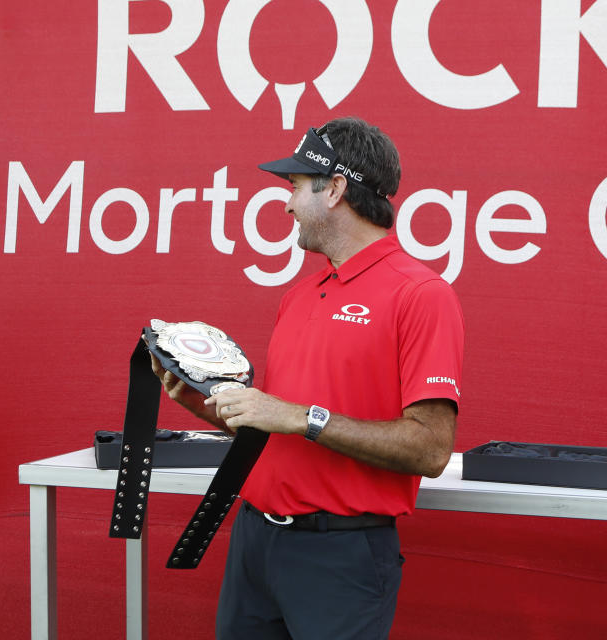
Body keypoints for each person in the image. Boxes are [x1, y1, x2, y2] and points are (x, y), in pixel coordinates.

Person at [152, 117, 464, 639]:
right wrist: (200, 401)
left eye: (295, 186)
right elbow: (276, 429)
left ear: (336, 189)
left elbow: (431, 449)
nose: (287, 203)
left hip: (340, 555)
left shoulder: (421, 294)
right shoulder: (298, 295)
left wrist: (301, 416)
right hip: (254, 543)